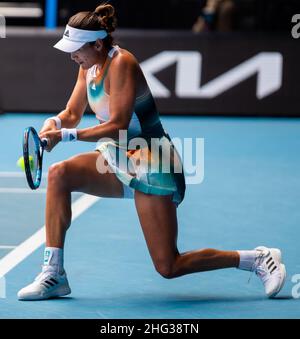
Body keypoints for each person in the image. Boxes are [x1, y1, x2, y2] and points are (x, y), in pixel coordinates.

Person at [18, 3, 286, 301]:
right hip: (117, 155)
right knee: (60, 174)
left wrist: (65, 136)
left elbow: (118, 123)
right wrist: (53, 124)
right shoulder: (88, 65)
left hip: (151, 159)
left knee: (169, 265)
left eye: (77, 48)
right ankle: (54, 274)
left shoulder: (122, 63)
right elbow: (71, 112)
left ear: (96, 43)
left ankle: (256, 258)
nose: (72, 55)